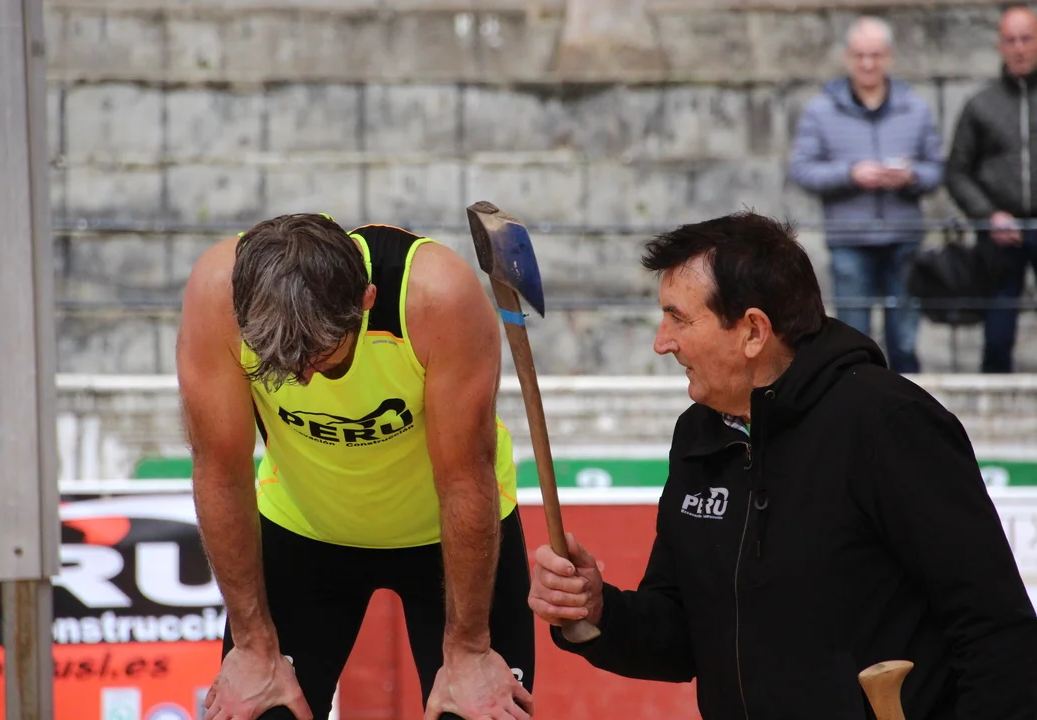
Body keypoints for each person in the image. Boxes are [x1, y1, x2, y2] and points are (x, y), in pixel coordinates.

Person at [527, 211, 1037, 718]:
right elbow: (682, 633)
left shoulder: (889, 422)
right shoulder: (699, 433)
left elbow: (996, 632)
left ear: (753, 330)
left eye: (678, 318)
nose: (662, 342)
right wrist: (598, 611)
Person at [176, 213, 534, 720]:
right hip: (305, 528)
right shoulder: (219, 292)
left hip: (450, 536)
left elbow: (464, 480)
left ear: (366, 301)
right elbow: (220, 471)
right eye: (279, 360)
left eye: (319, 356)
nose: (301, 379)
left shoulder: (435, 297)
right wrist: (252, 644)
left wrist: (470, 649)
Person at [788, 16, 943, 374]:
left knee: (904, 339)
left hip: (903, 238)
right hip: (849, 239)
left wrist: (910, 176)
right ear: (847, 57)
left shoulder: (915, 107)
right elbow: (802, 169)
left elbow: (937, 169)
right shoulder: (821, 110)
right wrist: (850, 174)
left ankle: (907, 401)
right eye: (860, 55)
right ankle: (854, 401)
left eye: (875, 55)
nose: (868, 64)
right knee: (852, 336)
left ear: (889, 57)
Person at [946, 4, 1037, 373]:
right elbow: (957, 171)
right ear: (1000, 46)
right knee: (998, 327)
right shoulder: (980, 105)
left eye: (1026, 39)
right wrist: (988, 215)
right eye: (1010, 40)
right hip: (1000, 232)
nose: (1019, 48)